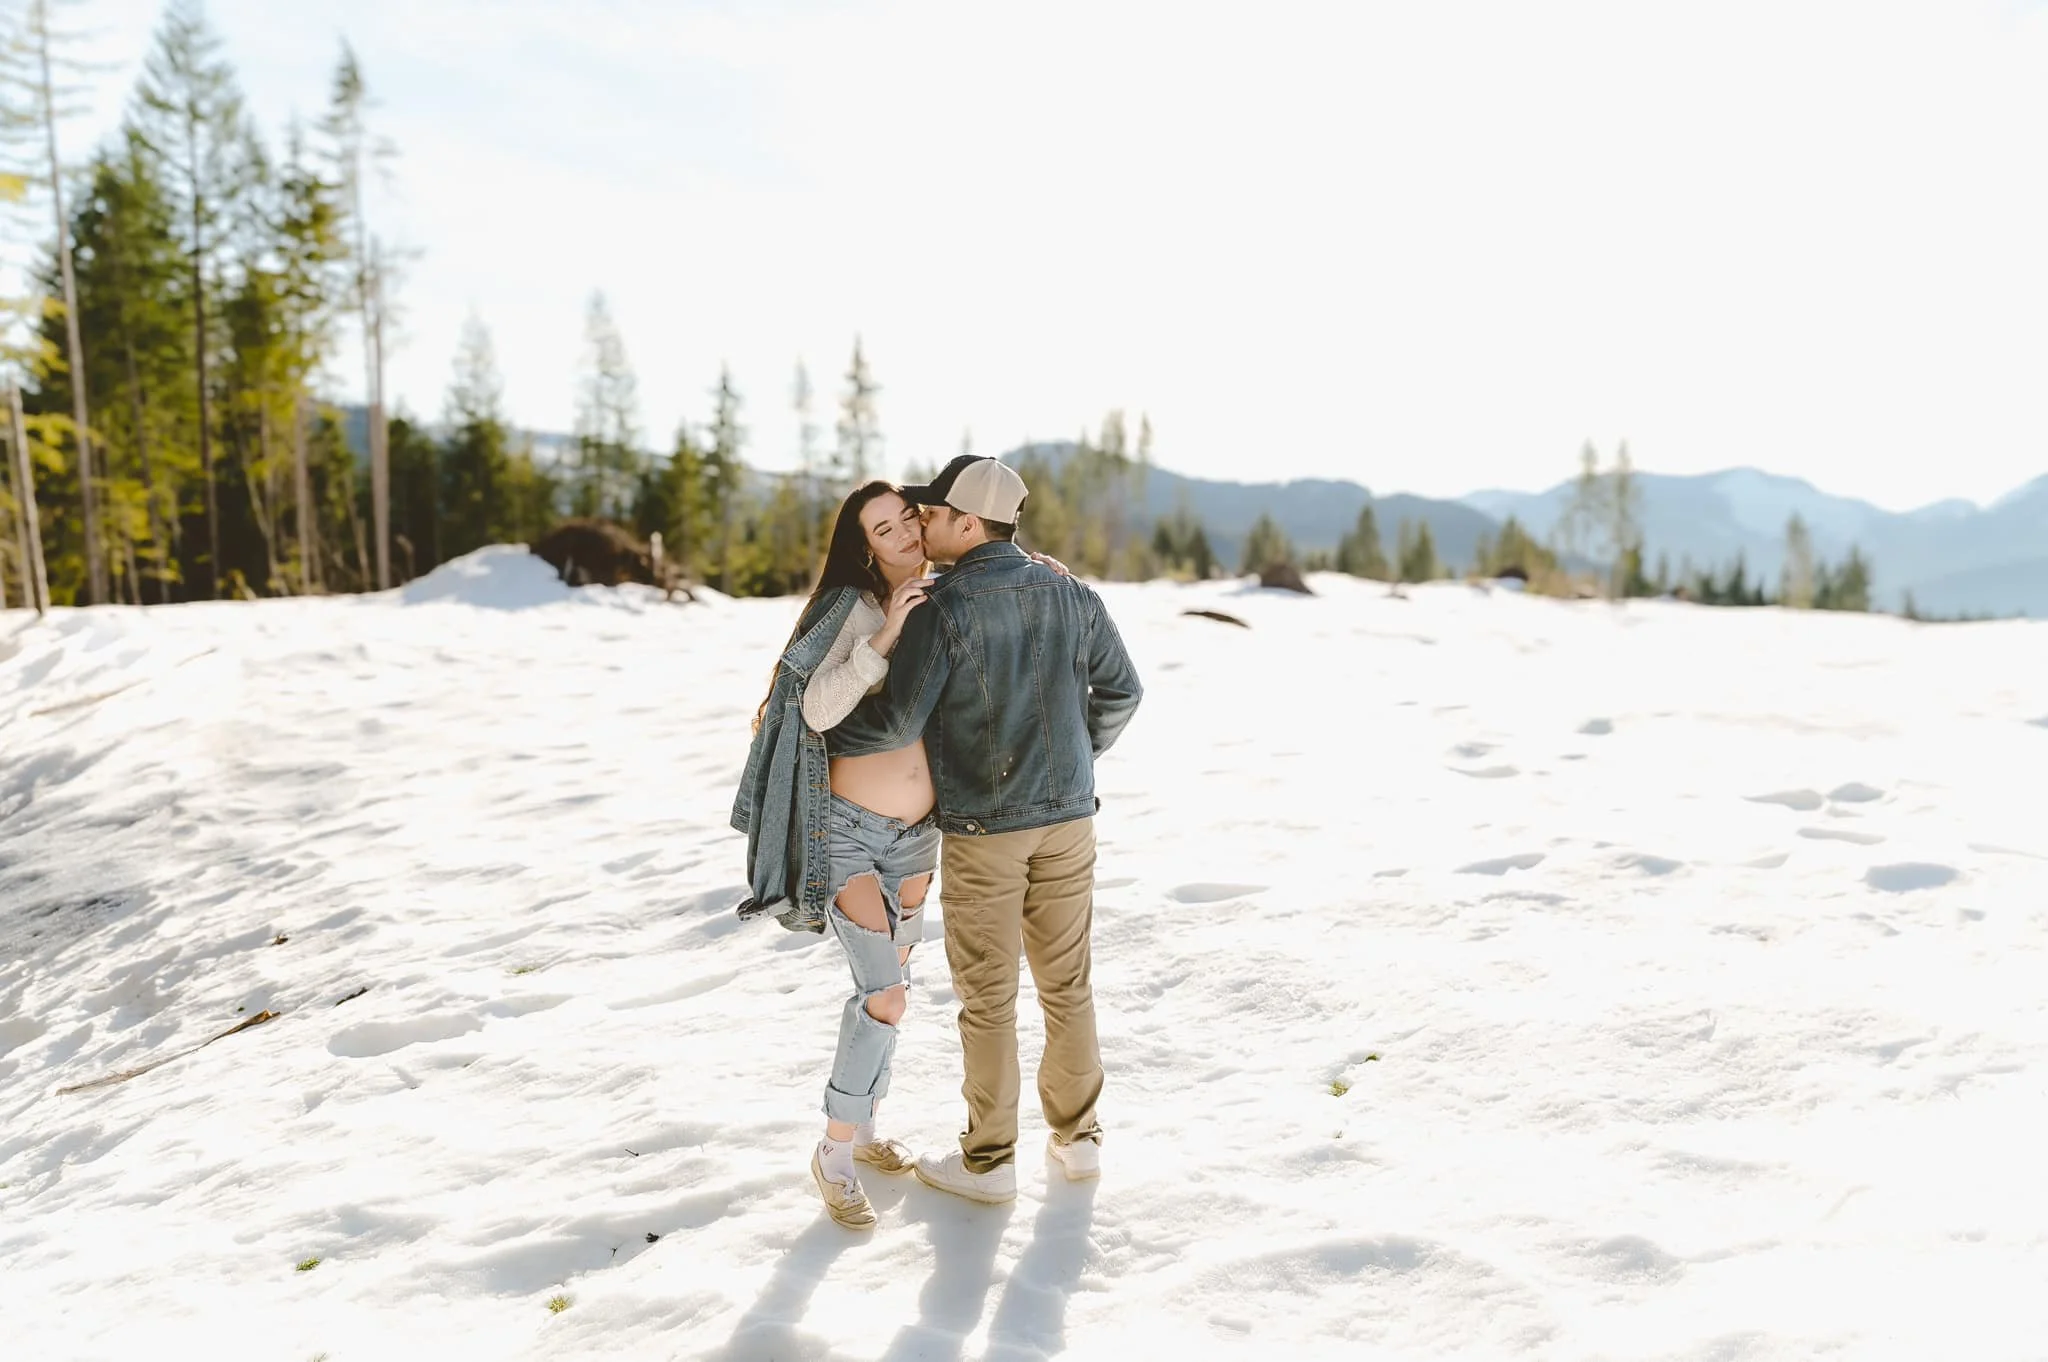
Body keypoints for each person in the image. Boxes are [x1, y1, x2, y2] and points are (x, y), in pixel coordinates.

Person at [730, 479, 1069, 1231]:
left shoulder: (949, 594)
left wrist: (1036, 573)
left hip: (917, 839)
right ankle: (836, 1152)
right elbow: (816, 708)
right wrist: (882, 639)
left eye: (908, 520)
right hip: (848, 831)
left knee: (896, 991)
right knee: (881, 996)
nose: (904, 535)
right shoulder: (852, 608)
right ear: (865, 546)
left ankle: (871, 1128)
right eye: (883, 530)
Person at [829, 455, 1143, 1204]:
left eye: (932, 514)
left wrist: (823, 737)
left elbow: (901, 718)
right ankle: (1079, 1142)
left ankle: (989, 1160)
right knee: (1068, 985)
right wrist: (1071, 758)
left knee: (990, 997)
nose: (921, 525)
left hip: (984, 828)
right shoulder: (1070, 589)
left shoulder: (944, 607)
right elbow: (1123, 690)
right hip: (1069, 821)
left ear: (968, 523)